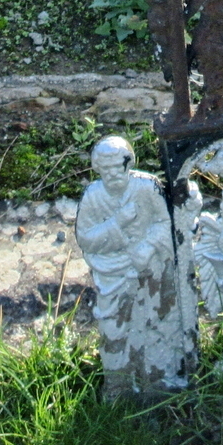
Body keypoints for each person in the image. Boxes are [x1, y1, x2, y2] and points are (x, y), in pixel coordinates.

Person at [74, 135, 192, 395]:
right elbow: (86, 238)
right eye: (106, 169)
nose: (113, 174)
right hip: (113, 274)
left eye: (118, 166)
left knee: (156, 322)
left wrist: (148, 247)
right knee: (114, 328)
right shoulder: (93, 196)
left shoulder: (147, 187)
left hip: (151, 271)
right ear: (97, 169)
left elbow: (166, 223)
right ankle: (120, 387)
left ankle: (159, 379)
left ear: (129, 164)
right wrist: (117, 222)